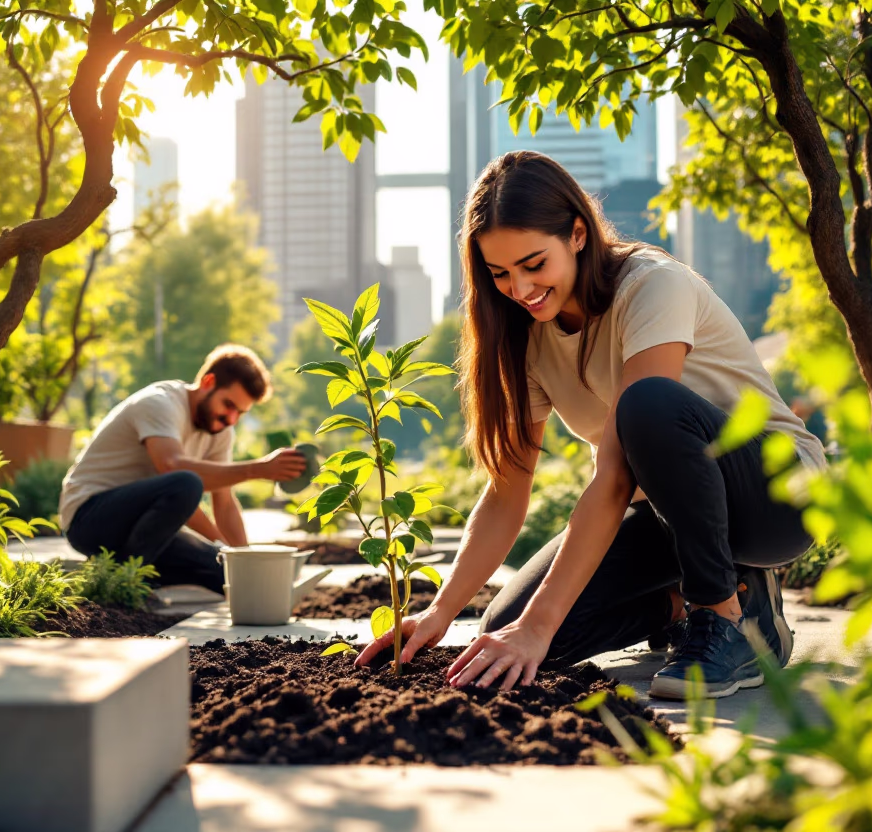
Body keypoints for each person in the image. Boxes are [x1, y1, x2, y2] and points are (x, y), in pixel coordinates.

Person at [357, 152, 826, 700]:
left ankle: (720, 617)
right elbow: (508, 490)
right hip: (674, 516)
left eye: (534, 264)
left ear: (578, 234)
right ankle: (721, 603)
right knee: (507, 636)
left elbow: (617, 473)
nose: (521, 288)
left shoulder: (652, 286)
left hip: (775, 495)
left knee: (646, 405)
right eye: (501, 273)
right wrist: (440, 614)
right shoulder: (526, 337)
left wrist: (537, 624)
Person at [59, 344, 307, 593]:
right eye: (228, 405)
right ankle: (126, 585)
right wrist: (257, 470)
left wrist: (243, 559)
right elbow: (172, 469)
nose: (231, 419)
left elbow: (224, 502)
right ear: (208, 382)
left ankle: (126, 572)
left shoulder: (220, 430)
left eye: (240, 413)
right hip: (89, 517)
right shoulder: (160, 403)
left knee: (226, 573)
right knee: (186, 483)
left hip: (142, 530)